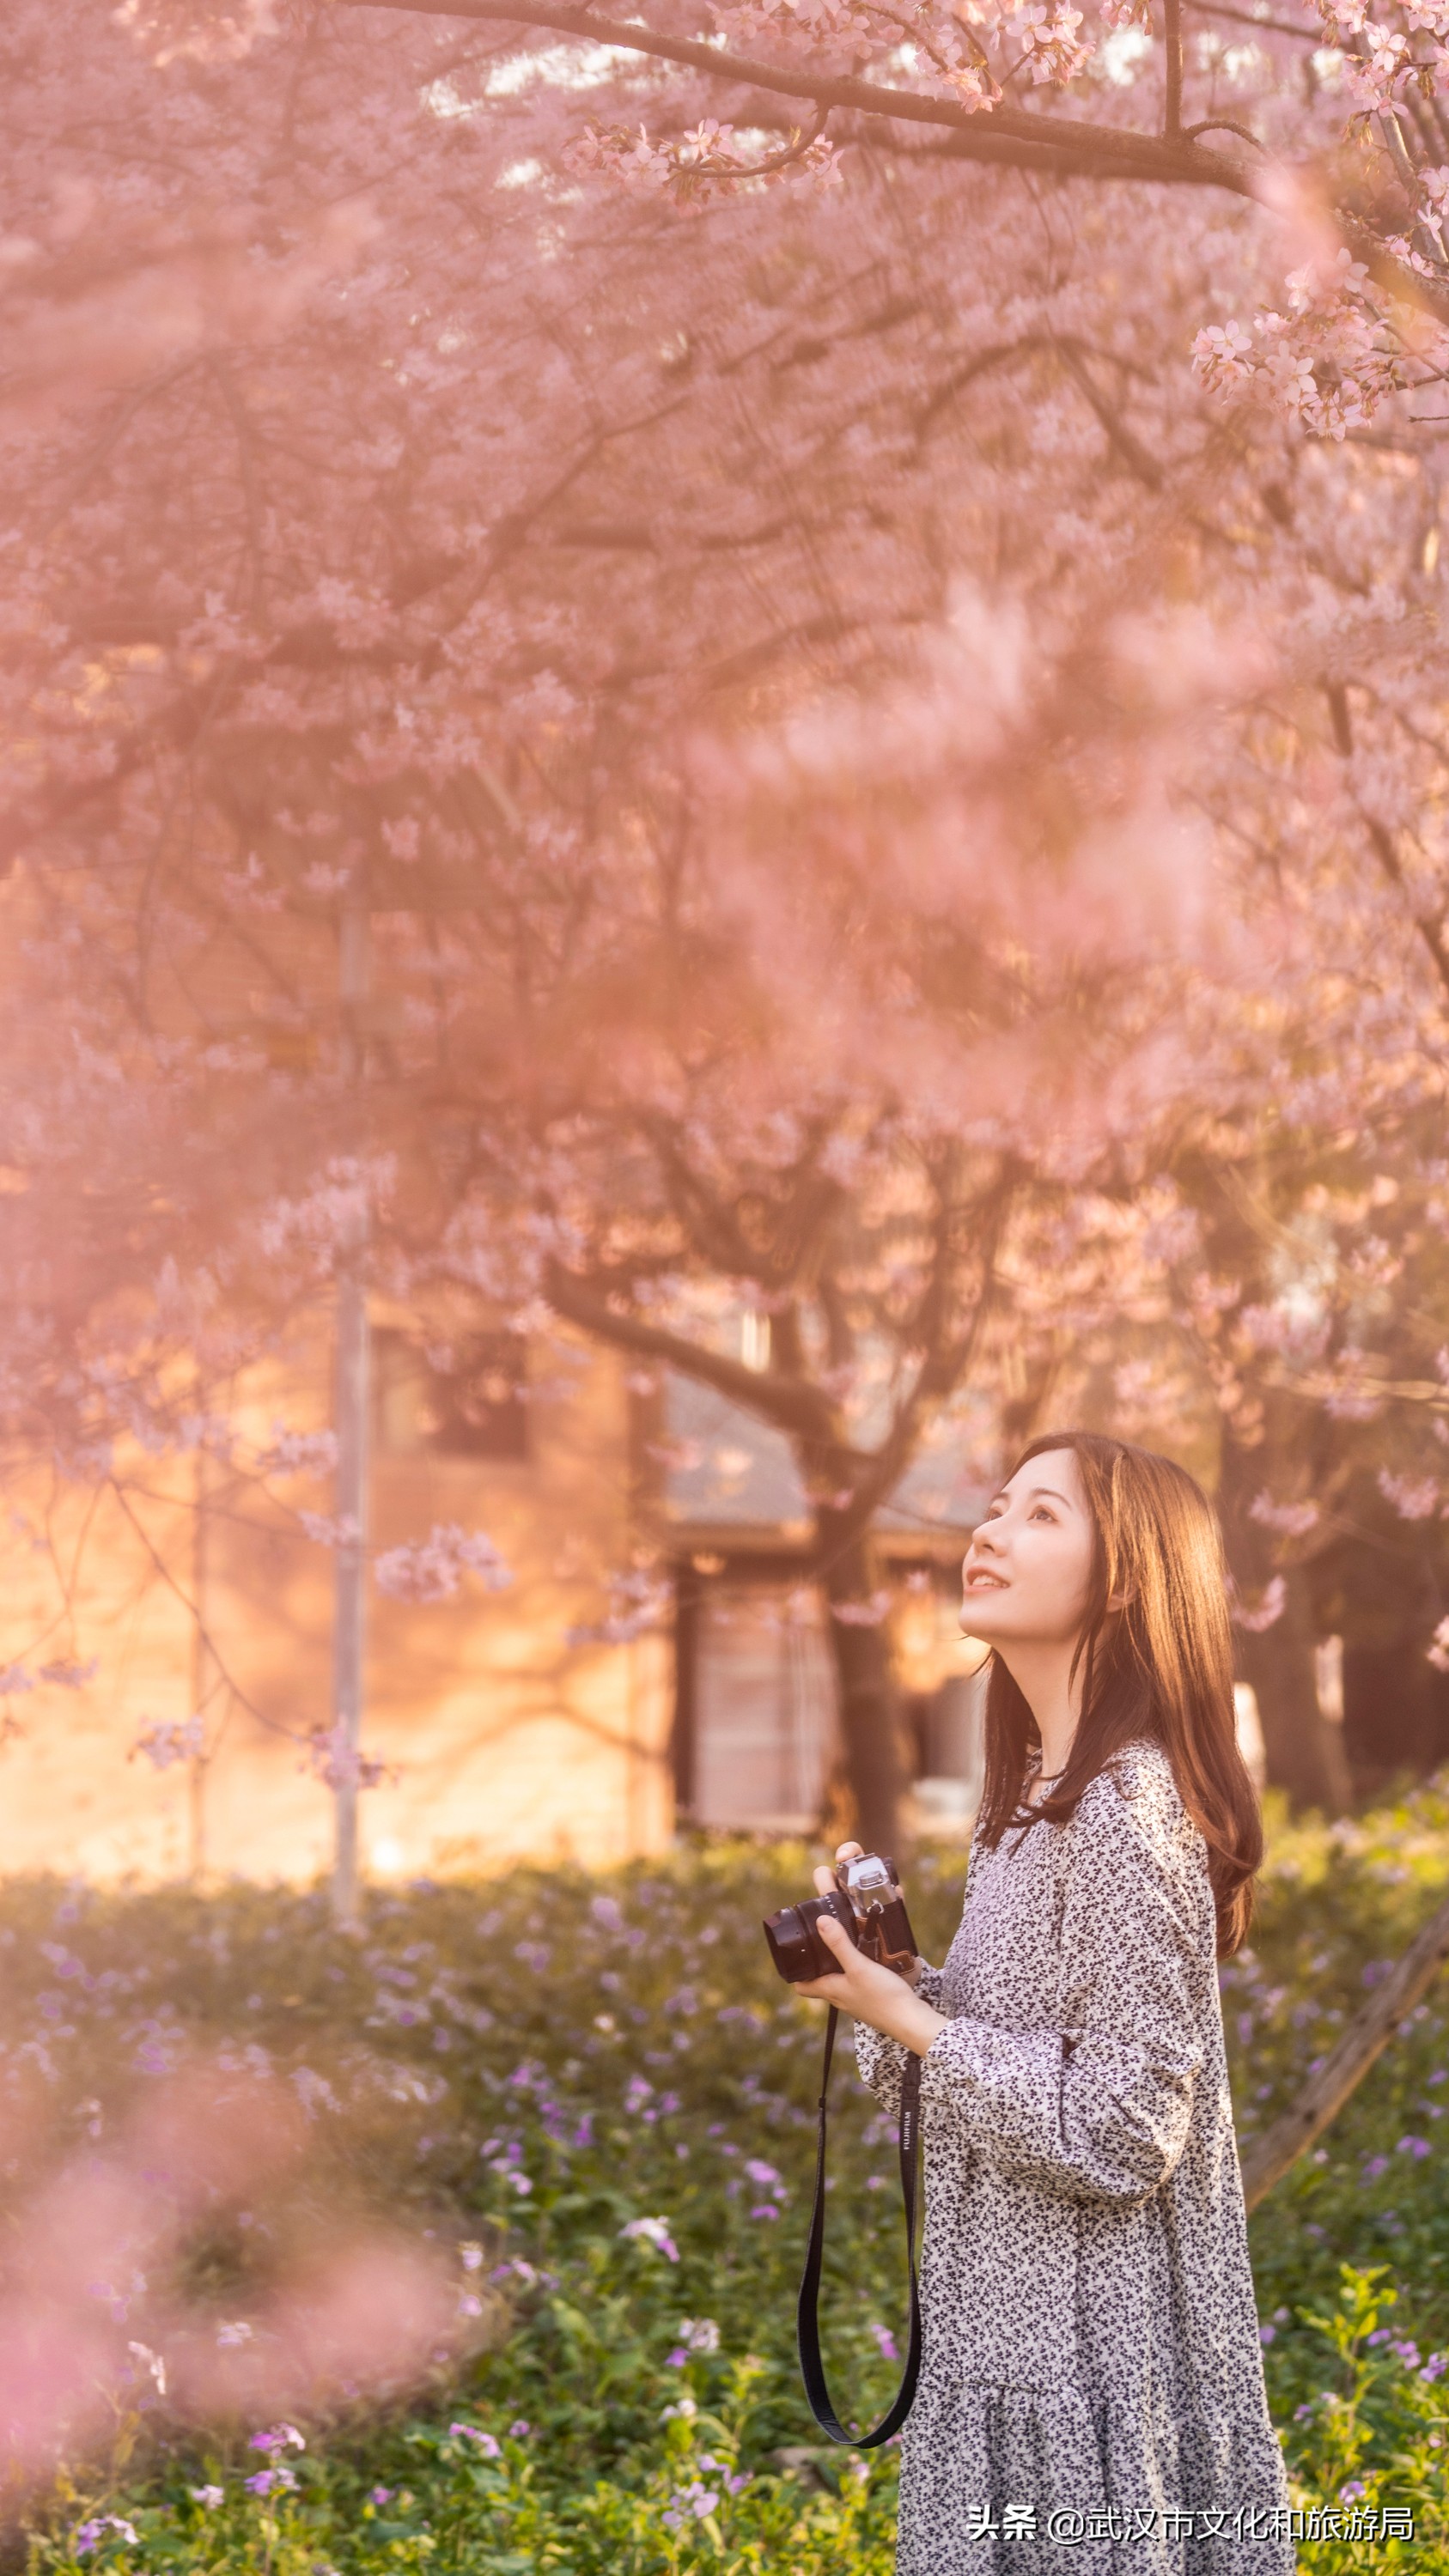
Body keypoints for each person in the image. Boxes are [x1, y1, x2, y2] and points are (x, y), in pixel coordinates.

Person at [797, 1431, 1295, 2573]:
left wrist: (917, 2021)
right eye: (996, 1505)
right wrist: (886, 1991)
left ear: (1124, 1578)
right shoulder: (1025, 1808)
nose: (989, 1530)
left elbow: (1128, 2128)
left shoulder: (1126, 1812)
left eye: (1041, 1515)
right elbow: (991, 2087)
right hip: (1003, 2361)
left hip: (1095, 2386)